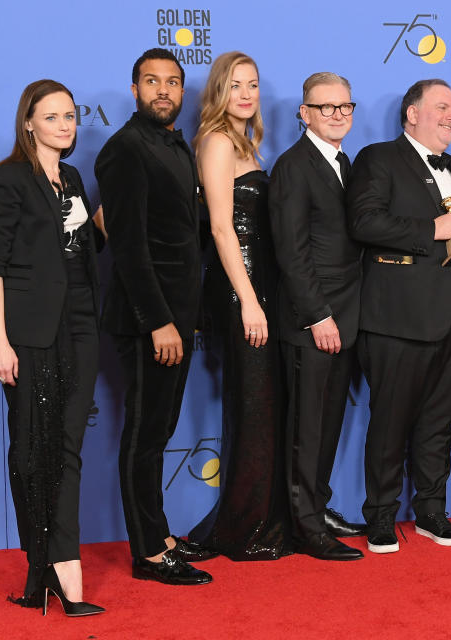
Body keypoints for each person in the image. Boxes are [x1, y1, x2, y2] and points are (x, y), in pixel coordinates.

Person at [0, 80, 104, 615]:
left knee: (68, 446)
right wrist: (0, 341)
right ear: (28, 122)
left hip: (81, 324)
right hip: (29, 334)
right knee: (33, 447)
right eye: (51, 117)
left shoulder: (72, 177)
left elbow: (78, 249)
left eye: (70, 116)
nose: (64, 125)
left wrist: (118, 206)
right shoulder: (8, 179)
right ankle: (47, 569)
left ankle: (57, 567)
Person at [95, 48, 216, 584]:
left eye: (172, 82)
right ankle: (147, 552)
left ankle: (161, 535)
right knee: (145, 434)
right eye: (151, 82)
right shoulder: (125, 149)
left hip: (177, 319)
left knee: (160, 429)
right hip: (150, 322)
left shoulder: (172, 142)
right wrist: (158, 321)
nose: (162, 91)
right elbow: (127, 246)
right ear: (135, 89)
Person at [347, 79, 451, 553]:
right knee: (390, 422)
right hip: (396, 320)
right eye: (442, 107)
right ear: (411, 114)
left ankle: (431, 511)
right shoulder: (379, 159)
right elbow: (363, 222)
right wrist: (431, 228)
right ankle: (380, 517)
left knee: (438, 424)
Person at [186, 51, 291, 560]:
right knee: (252, 404)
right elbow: (222, 229)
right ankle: (242, 528)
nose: (246, 94)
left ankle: (261, 517)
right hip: (239, 289)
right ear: (218, 91)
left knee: (264, 405)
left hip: (261, 285)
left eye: (252, 84)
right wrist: (249, 301)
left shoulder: (249, 144)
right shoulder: (216, 141)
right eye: (235, 85)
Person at [268, 71, 364, 561]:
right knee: (307, 428)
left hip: (346, 316)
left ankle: (318, 507)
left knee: (327, 424)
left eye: (345, 107)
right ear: (303, 113)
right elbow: (291, 251)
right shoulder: (293, 166)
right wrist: (317, 316)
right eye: (327, 108)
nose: (338, 115)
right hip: (314, 321)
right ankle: (305, 527)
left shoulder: (344, 162)